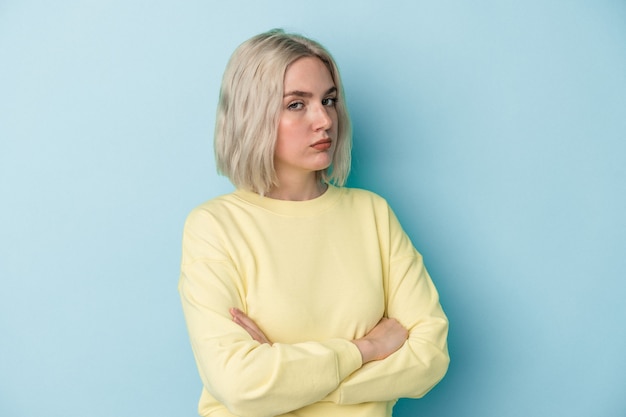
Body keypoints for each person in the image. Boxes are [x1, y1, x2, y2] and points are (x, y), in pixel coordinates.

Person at [178, 29, 449, 417]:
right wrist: (367, 349)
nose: (324, 119)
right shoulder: (214, 226)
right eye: (296, 104)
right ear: (251, 113)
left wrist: (285, 372)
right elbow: (239, 383)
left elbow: (430, 356)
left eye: (329, 100)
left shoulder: (371, 214)